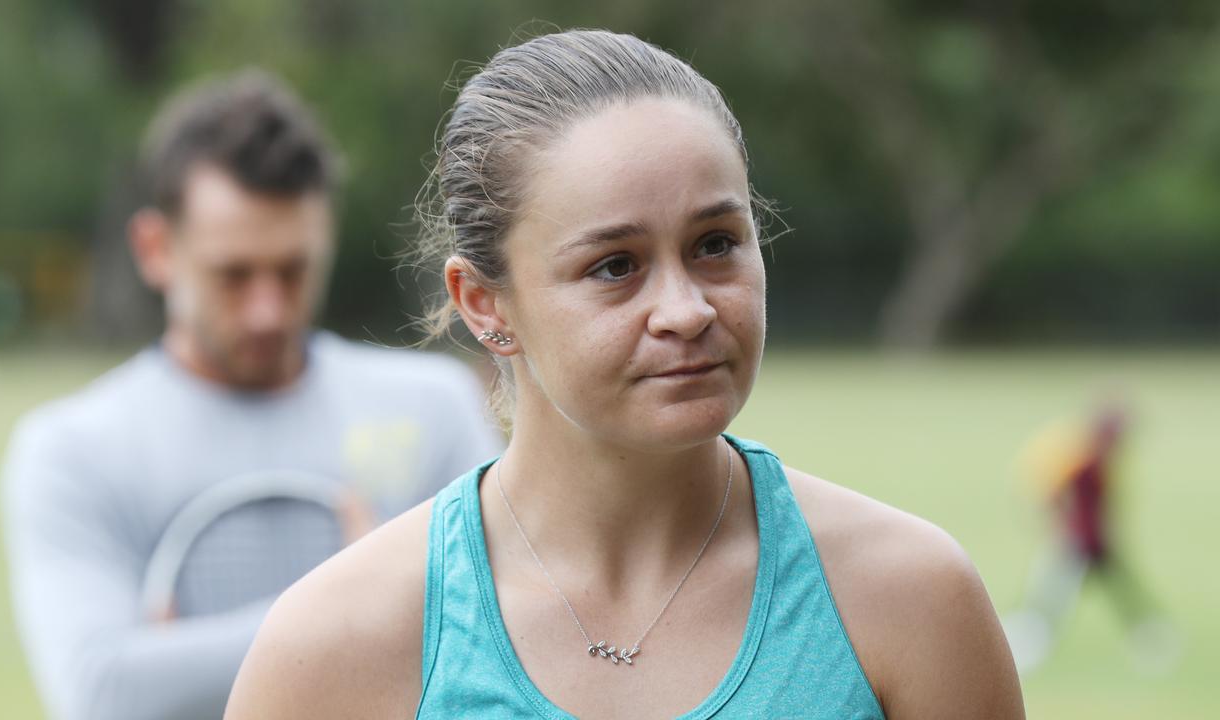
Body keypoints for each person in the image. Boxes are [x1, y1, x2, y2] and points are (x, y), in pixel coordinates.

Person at [226, 31, 1024, 719]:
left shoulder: (907, 598)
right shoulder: (338, 644)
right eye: (615, 266)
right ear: (482, 304)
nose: (686, 309)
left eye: (716, 245)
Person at [0, 70, 502, 720]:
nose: (267, 310)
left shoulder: (435, 406)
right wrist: (376, 598)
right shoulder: (72, 447)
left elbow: (505, 639)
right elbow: (104, 692)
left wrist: (185, 654)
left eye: (293, 270)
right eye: (233, 275)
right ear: (155, 249)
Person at [1003, 401, 1178, 674]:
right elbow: (1055, 496)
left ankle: (1150, 636)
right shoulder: (1084, 462)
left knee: (1116, 595)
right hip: (1078, 545)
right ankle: (1022, 644)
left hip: (1092, 544)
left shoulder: (1099, 460)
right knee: (1052, 601)